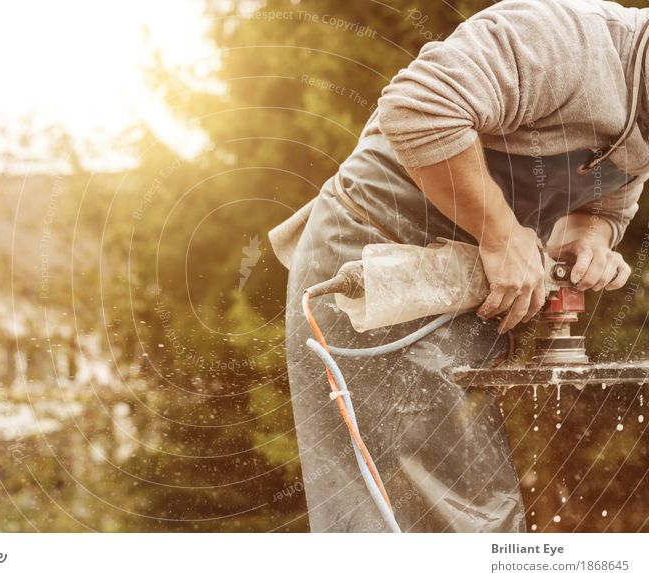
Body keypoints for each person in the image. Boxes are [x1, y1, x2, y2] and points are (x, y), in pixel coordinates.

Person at [269, 0, 648, 532]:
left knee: (481, 519)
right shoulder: (567, 42)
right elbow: (418, 107)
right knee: (434, 527)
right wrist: (500, 232)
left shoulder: (643, 108)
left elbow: (607, 200)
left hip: (467, 290)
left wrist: (591, 236)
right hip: (381, 271)